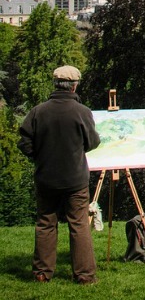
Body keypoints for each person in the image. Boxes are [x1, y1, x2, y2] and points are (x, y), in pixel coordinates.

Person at [18, 65, 101, 284]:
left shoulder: (38, 111)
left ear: (55, 84)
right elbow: (92, 143)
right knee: (79, 225)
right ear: (74, 86)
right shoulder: (82, 112)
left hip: (46, 178)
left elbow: (24, 142)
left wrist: (39, 156)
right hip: (75, 180)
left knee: (45, 223)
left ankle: (42, 273)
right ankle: (84, 275)